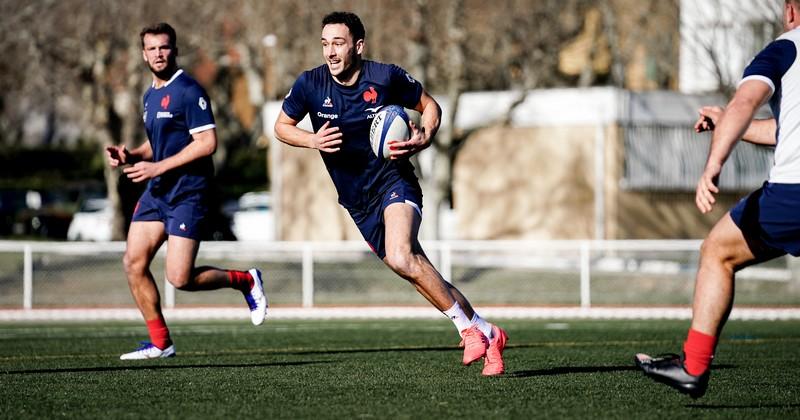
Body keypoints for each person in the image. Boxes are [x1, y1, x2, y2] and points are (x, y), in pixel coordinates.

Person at [274, 11, 508, 375]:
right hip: (357, 202)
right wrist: (312, 139)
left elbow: (430, 106)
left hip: (394, 182)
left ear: (358, 45)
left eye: (338, 43)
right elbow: (281, 126)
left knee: (402, 255)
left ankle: (467, 330)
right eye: (325, 44)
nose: (330, 52)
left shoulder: (385, 77)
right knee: (417, 271)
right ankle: (488, 332)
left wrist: (424, 135)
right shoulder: (310, 85)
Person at [635, 0, 800, 398]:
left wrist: (713, 163)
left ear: (791, 10)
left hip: (794, 193)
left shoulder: (786, 47)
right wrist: (730, 124)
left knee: (718, 252)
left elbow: (746, 102)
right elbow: (786, 127)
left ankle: (693, 366)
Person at [107, 22, 268, 360]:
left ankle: (245, 280)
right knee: (133, 262)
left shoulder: (188, 91)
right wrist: (131, 155)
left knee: (179, 277)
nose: (158, 54)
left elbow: (207, 143)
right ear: (143, 54)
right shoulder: (150, 95)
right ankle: (161, 342)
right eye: (152, 48)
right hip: (158, 191)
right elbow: (159, 145)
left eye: (164, 47)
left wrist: (157, 168)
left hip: (189, 193)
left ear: (174, 49)